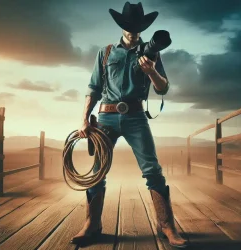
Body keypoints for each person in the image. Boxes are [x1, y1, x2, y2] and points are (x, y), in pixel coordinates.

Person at [70, 2, 187, 248]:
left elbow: (163, 87)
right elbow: (92, 88)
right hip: (106, 118)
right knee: (97, 171)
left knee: (152, 170)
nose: (133, 32)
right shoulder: (105, 52)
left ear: (142, 28)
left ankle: (166, 224)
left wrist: (152, 71)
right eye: (129, 27)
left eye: (137, 28)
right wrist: (83, 119)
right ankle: (93, 224)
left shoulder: (152, 54)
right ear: (122, 27)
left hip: (136, 117)